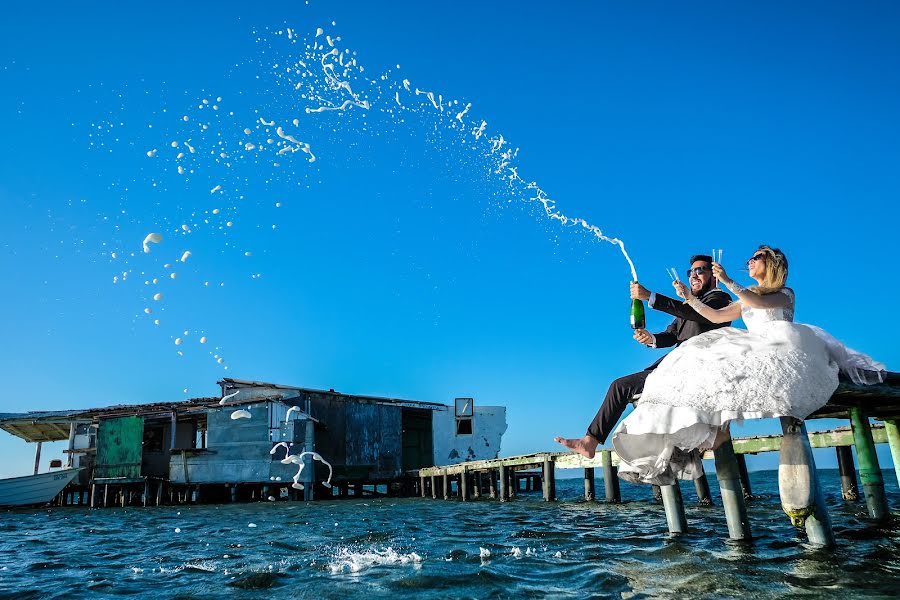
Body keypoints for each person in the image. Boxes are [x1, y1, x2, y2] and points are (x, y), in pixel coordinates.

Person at [612, 245, 886, 485]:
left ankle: (719, 431)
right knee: (708, 363)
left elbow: (756, 302)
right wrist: (690, 297)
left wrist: (727, 280)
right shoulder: (745, 296)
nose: (750, 261)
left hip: (781, 345)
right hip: (752, 345)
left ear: (773, 263)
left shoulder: (784, 293)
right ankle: (713, 433)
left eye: (757, 257)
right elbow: (715, 316)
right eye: (751, 259)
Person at [555, 254, 733, 459]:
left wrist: (651, 296)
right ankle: (590, 442)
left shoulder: (719, 298)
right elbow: (672, 335)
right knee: (620, 386)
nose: (694, 275)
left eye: (700, 270)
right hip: (673, 366)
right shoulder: (690, 305)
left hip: (695, 370)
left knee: (620, 387)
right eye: (691, 272)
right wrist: (651, 338)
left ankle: (592, 441)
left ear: (714, 276)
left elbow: (699, 315)